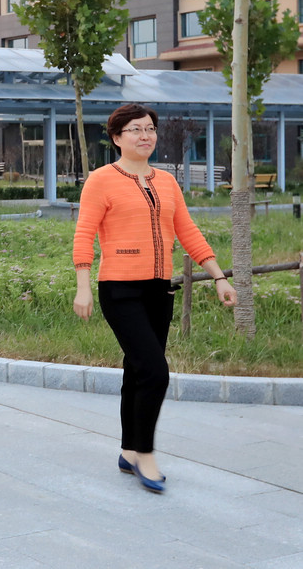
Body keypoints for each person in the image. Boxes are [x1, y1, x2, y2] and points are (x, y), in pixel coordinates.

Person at [74, 103, 236, 494]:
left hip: (159, 290)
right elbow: (84, 233)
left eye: (150, 129)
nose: (145, 135)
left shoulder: (166, 181)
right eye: (135, 129)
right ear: (117, 138)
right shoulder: (100, 180)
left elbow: (187, 230)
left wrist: (218, 276)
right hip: (120, 289)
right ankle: (145, 453)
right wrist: (83, 286)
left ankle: (129, 450)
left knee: (137, 370)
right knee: (154, 371)